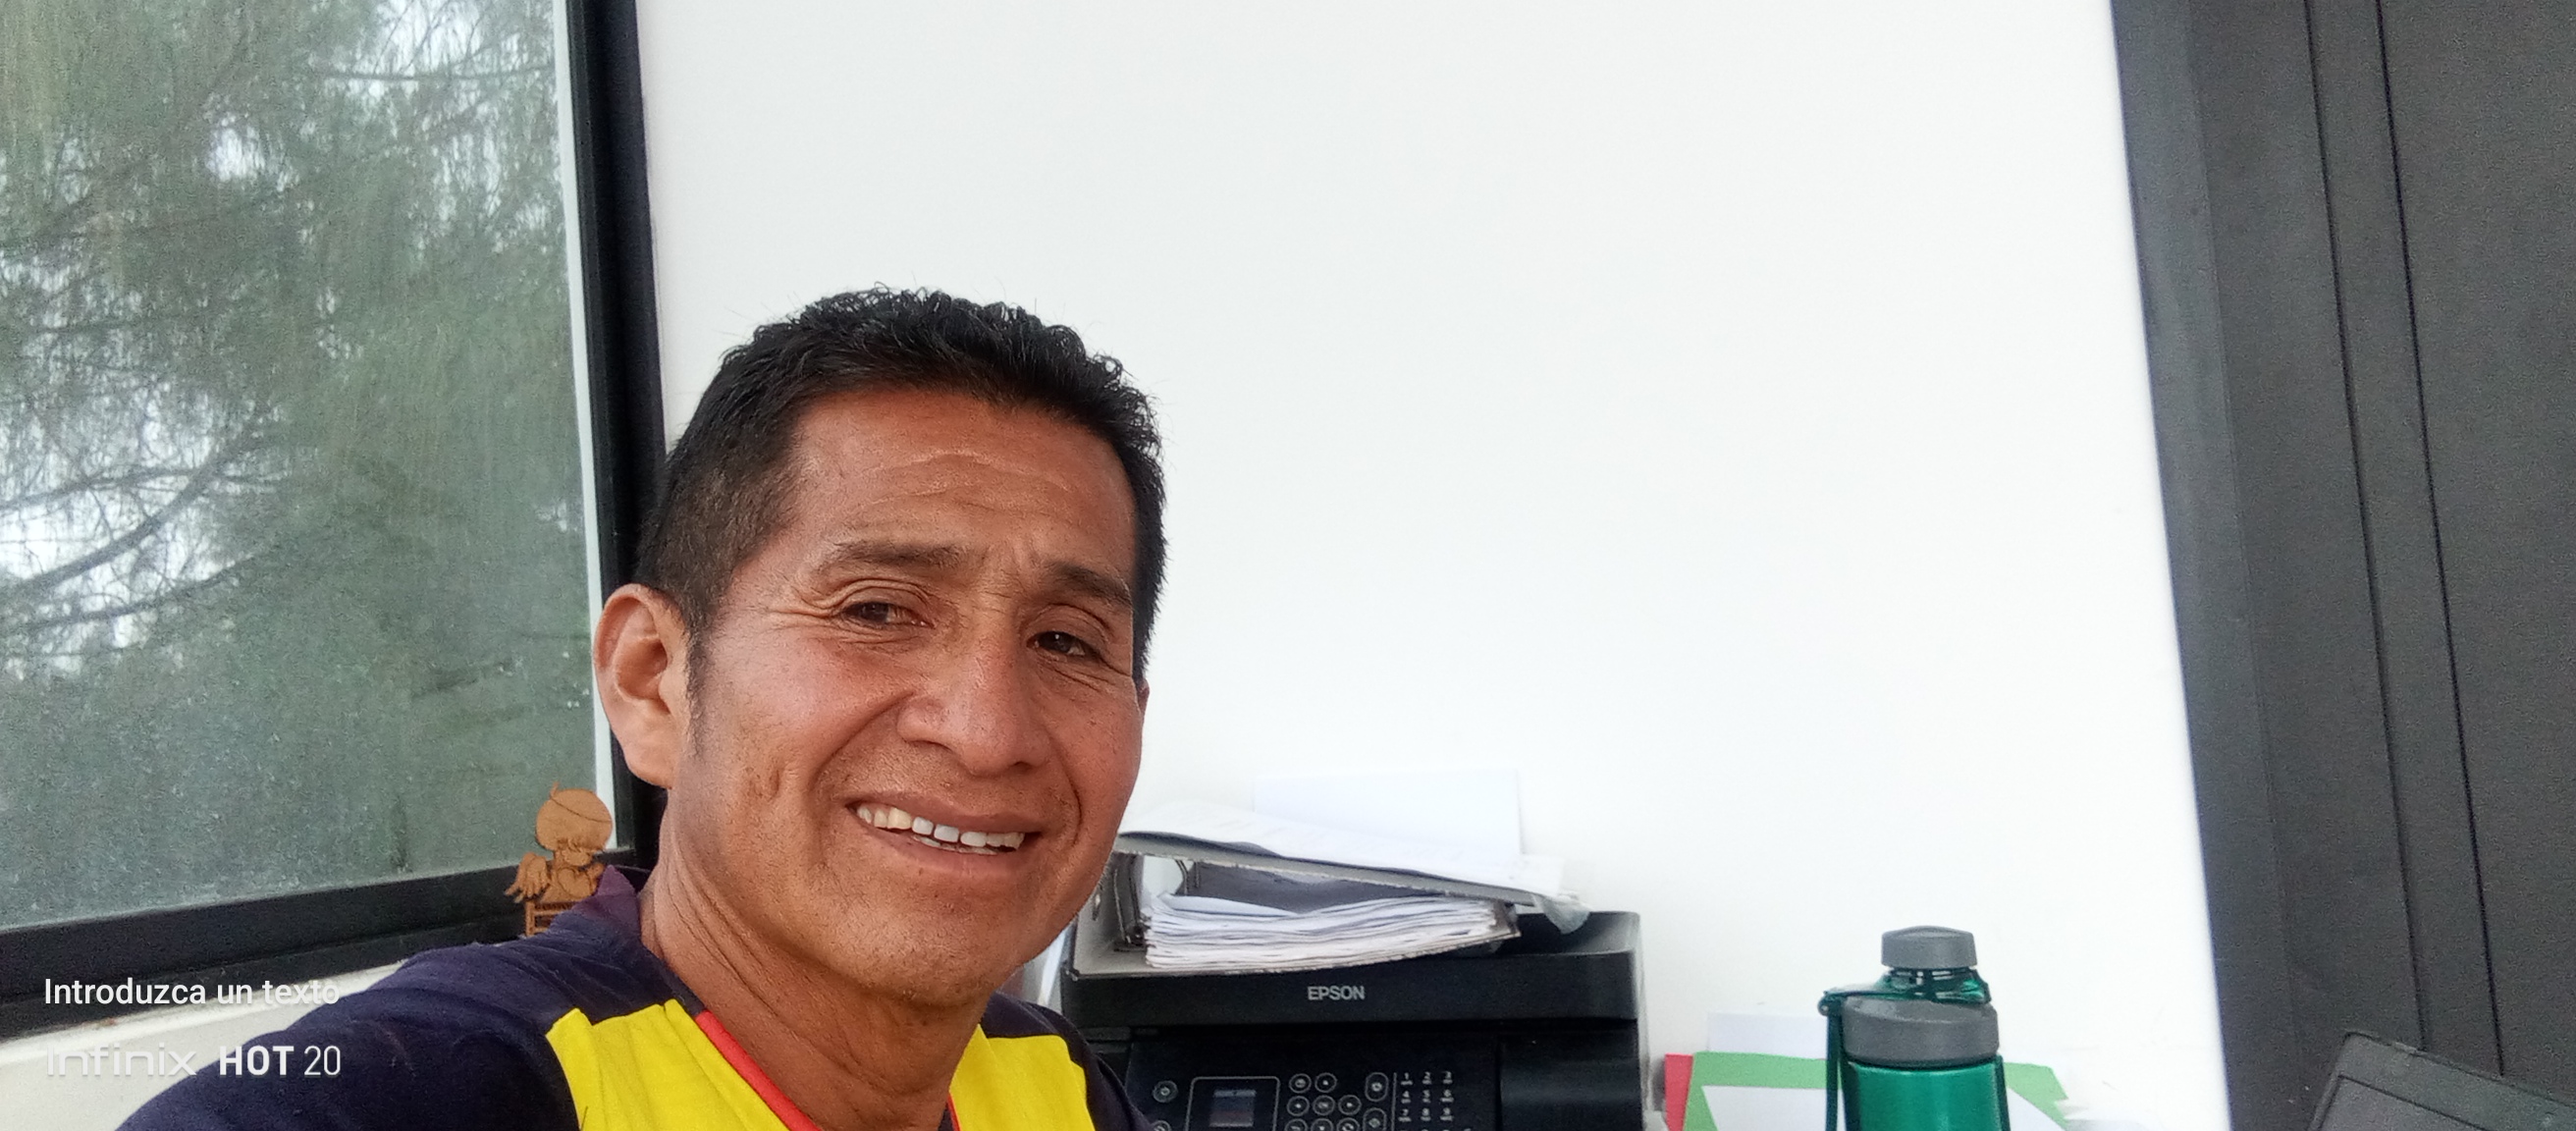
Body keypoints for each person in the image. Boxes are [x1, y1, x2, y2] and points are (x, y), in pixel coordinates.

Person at [125, 288, 1165, 1131]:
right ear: (652, 679)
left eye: (1066, 642)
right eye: (877, 610)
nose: (986, 732)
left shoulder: (1054, 1084)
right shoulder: (435, 1087)